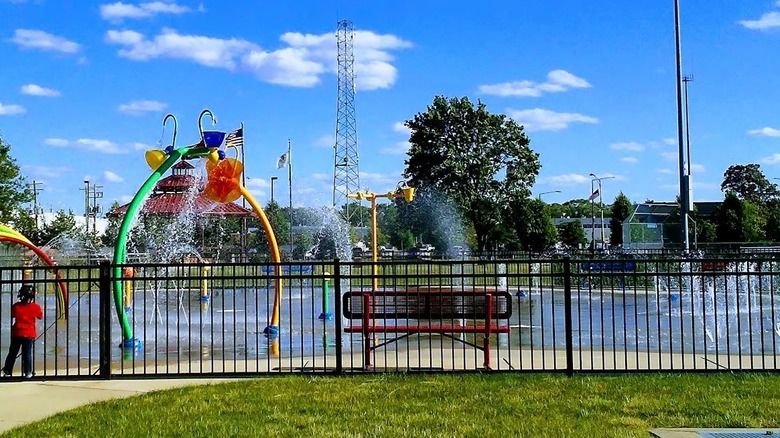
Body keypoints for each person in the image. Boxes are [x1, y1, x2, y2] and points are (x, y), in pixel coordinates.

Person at [2, 285, 43, 378]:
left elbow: (13, 315)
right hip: (29, 333)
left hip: (17, 332)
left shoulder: (16, 306)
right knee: (27, 354)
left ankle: (8, 371)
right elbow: (40, 316)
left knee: (12, 353)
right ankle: (27, 372)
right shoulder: (35, 307)